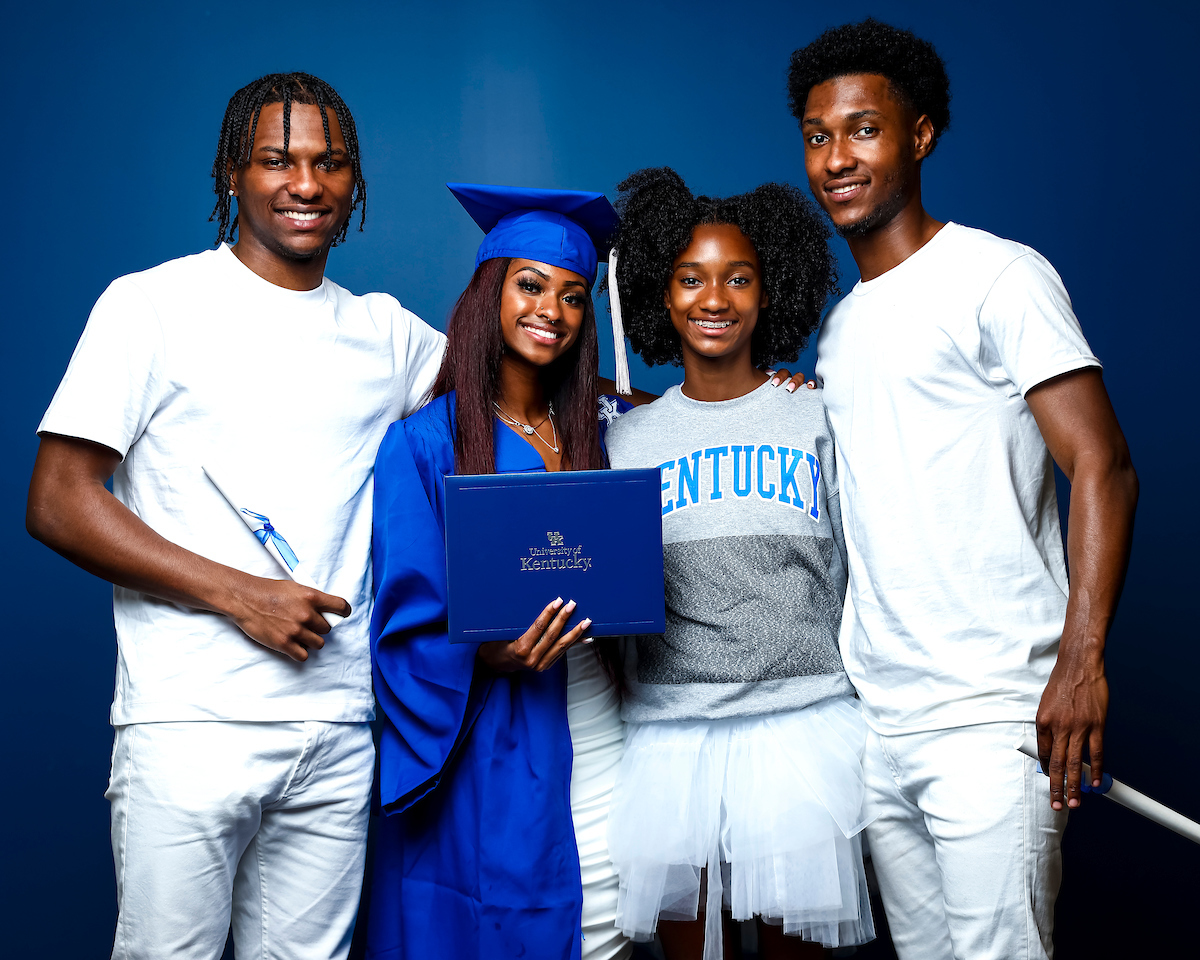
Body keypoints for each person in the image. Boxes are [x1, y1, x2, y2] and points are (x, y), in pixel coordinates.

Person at [25, 73, 446, 960]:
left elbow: (518, 390)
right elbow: (58, 500)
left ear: (356, 181)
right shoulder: (151, 306)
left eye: (330, 162)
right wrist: (240, 595)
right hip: (191, 724)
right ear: (231, 173)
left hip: (338, 729)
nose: (306, 184)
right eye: (277, 160)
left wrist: (706, 396)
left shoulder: (389, 335)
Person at [787, 19, 1139, 960]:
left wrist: (1082, 663)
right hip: (880, 722)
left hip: (991, 716)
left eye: (864, 130)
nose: (836, 157)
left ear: (921, 135)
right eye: (818, 136)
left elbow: (1103, 463)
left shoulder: (998, 275)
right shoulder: (840, 330)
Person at [603, 167, 873, 960]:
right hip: (670, 736)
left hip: (801, 726)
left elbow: (866, 569)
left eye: (738, 278)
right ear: (660, 293)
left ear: (770, 288)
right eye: (690, 278)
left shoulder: (817, 413)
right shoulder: (626, 441)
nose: (713, 298)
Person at [367, 183, 634, 960]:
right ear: (491, 293)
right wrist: (487, 652)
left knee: (610, 921)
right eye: (531, 286)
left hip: (607, 724)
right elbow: (404, 624)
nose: (552, 309)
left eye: (574, 296)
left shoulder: (607, 433)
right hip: (497, 734)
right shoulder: (424, 444)